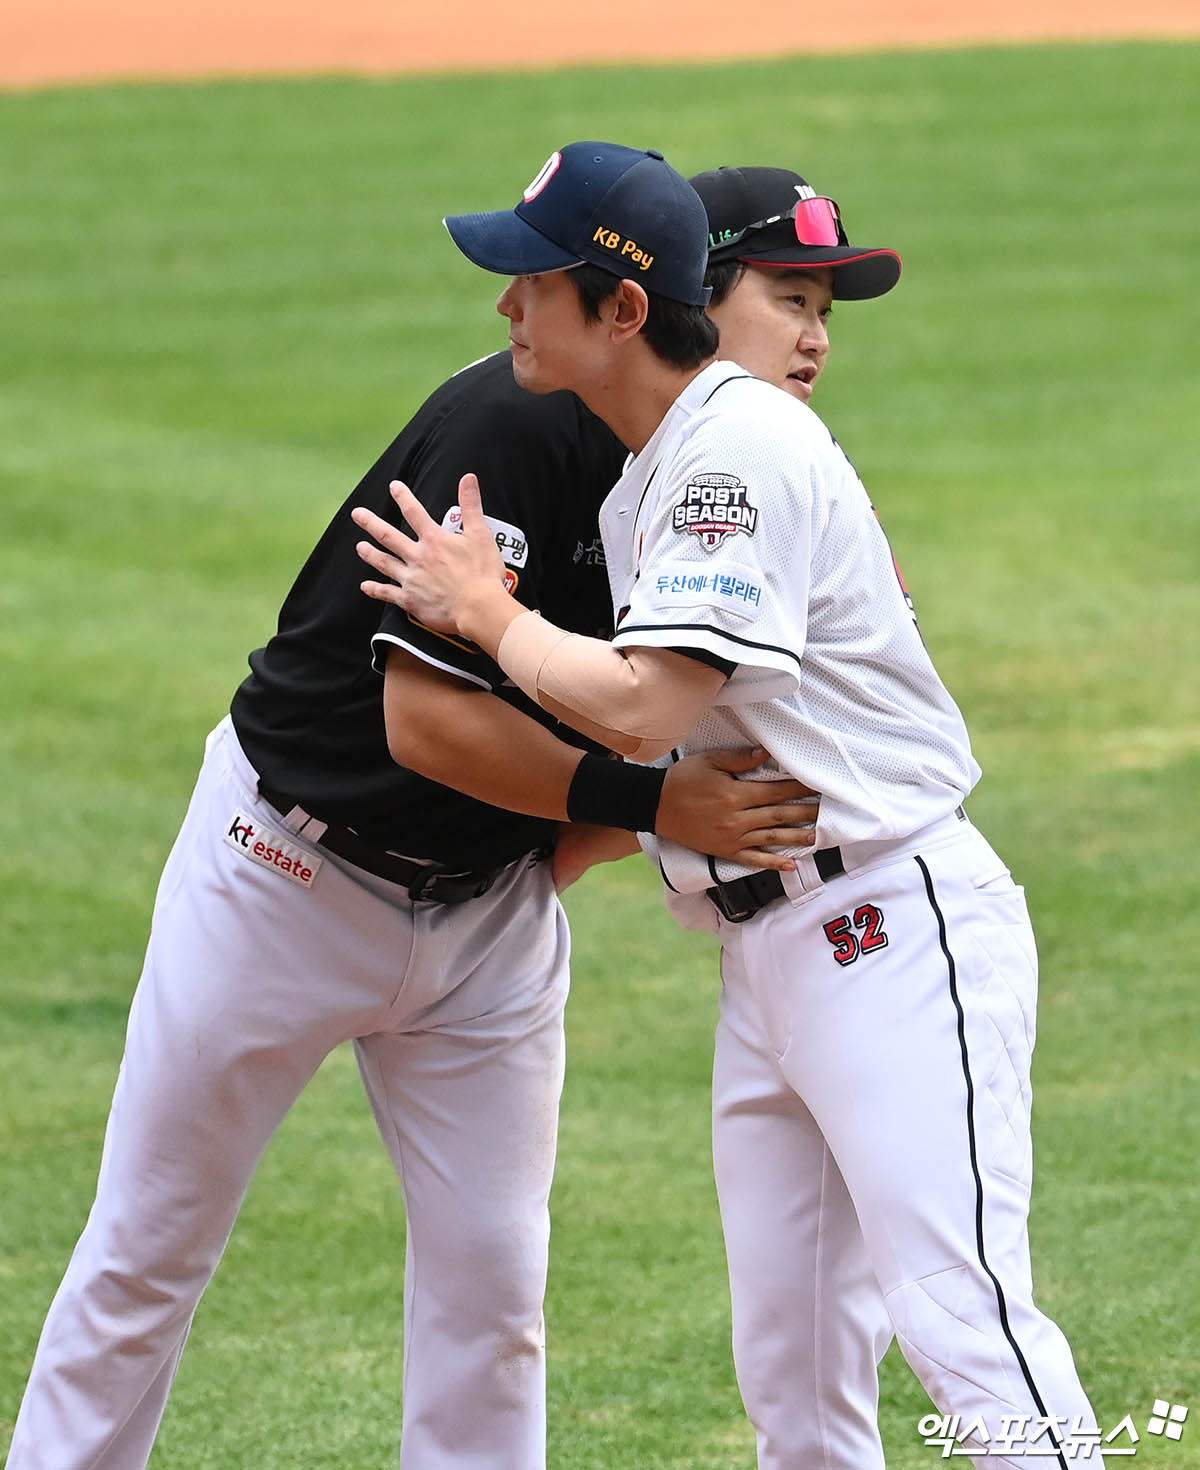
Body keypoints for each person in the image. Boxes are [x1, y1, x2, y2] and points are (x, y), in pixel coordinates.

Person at [3, 150, 820, 1470]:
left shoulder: (726, 476)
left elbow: (696, 716)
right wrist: (649, 798)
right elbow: (426, 722)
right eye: (795, 300)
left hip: (488, 925)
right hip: (279, 876)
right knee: (150, 1247)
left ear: (621, 309)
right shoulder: (506, 426)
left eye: (530, 280)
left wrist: (544, 858)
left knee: (493, 1294)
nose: (503, 307)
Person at [355, 140, 1102, 1468]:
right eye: (791, 297)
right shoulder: (669, 468)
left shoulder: (735, 451)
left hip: (886, 918)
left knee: (960, 1318)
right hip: (773, 951)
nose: (815, 335)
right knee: (797, 1374)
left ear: (630, 304)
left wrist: (486, 613)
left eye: (826, 308)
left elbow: (644, 709)